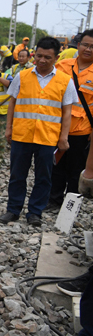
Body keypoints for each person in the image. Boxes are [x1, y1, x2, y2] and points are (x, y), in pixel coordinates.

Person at [0, 36, 78, 226]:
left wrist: (63, 137)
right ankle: (13, 209)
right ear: (34, 55)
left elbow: (67, 113)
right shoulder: (22, 76)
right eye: (39, 56)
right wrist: (8, 128)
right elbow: (13, 104)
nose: (42, 61)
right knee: (17, 175)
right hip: (22, 135)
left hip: (48, 137)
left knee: (44, 177)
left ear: (56, 58)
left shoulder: (65, 81)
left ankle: (35, 212)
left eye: (47, 57)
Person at [48, 29, 93, 209]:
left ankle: (70, 207)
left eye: (92, 47)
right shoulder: (62, 66)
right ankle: (54, 200)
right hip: (57, 127)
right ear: (78, 45)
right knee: (56, 166)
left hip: (81, 131)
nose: (88, 49)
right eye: (85, 45)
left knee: (75, 170)